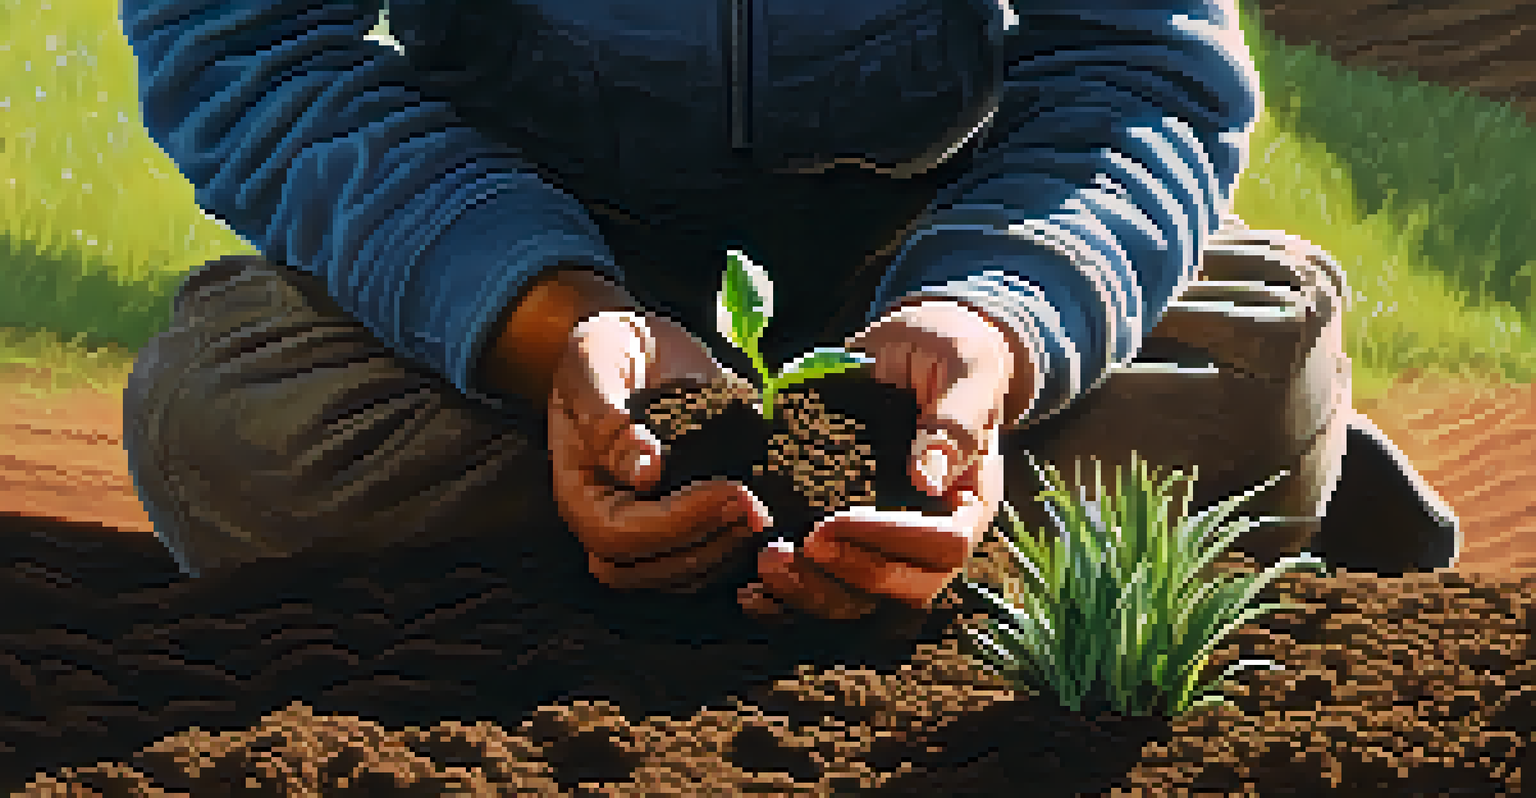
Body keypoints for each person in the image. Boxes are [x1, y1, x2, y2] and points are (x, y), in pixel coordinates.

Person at [113, 0, 1363, 622]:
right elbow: (250, 52)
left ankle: (713, 528)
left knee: (1261, 356)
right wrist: (556, 324)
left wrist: (997, 319)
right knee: (235, 419)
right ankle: (880, 540)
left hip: (933, 242)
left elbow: (1141, 69)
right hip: (518, 264)